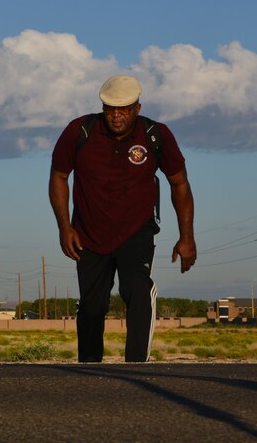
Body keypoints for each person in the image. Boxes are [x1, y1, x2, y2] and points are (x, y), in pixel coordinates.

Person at [49, 75, 196, 363]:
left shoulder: (156, 135)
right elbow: (59, 176)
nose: (116, 116)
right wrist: (64, 227)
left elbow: (179, 183)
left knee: (136, 291)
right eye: (109, 108)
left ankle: (137, 368)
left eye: (124, 109)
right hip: (89, 233)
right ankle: (91, 371)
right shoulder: (80, 131)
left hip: (136, 230)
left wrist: (186, 237)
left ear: (137, 108)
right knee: (92, 306)